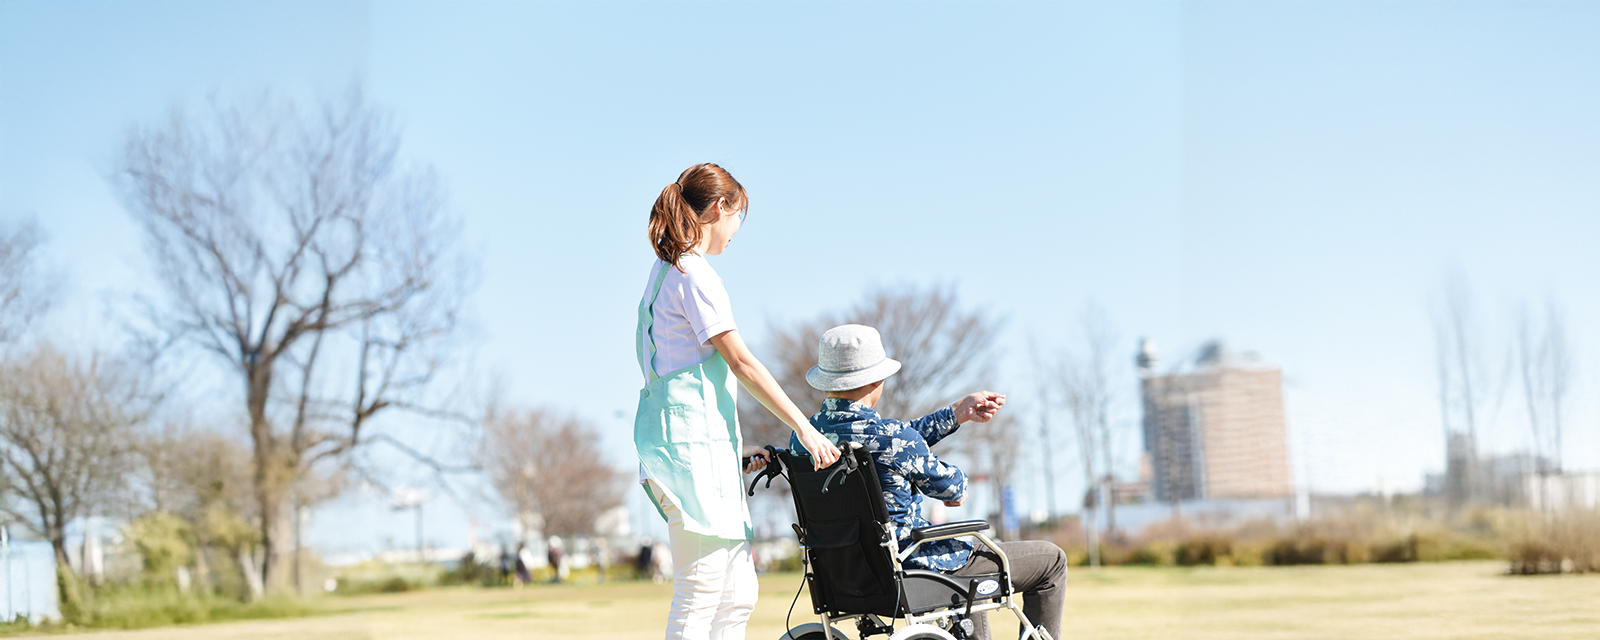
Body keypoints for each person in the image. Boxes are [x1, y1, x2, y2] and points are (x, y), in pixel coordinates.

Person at [634, 163, 842, 640]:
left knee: (737, 595)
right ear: (722, 208)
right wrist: (806, 430)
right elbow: (743, 364)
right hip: (689, 455)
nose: (735, 233)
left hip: (689, 449)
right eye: (738, 218)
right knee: (702, 589)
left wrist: (733, 456)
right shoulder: (693, 272)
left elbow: (679, 379)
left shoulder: (664, 272)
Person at [789, 324, 1066, 640]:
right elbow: (953, 487)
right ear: (877, 380)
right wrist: (956, 485)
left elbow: (901, 440)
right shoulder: (893, 439)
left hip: (844, 577)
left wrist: (956, 413)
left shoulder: (802, 440)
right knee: (1051, 561)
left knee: (973, 561)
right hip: (912, 568)